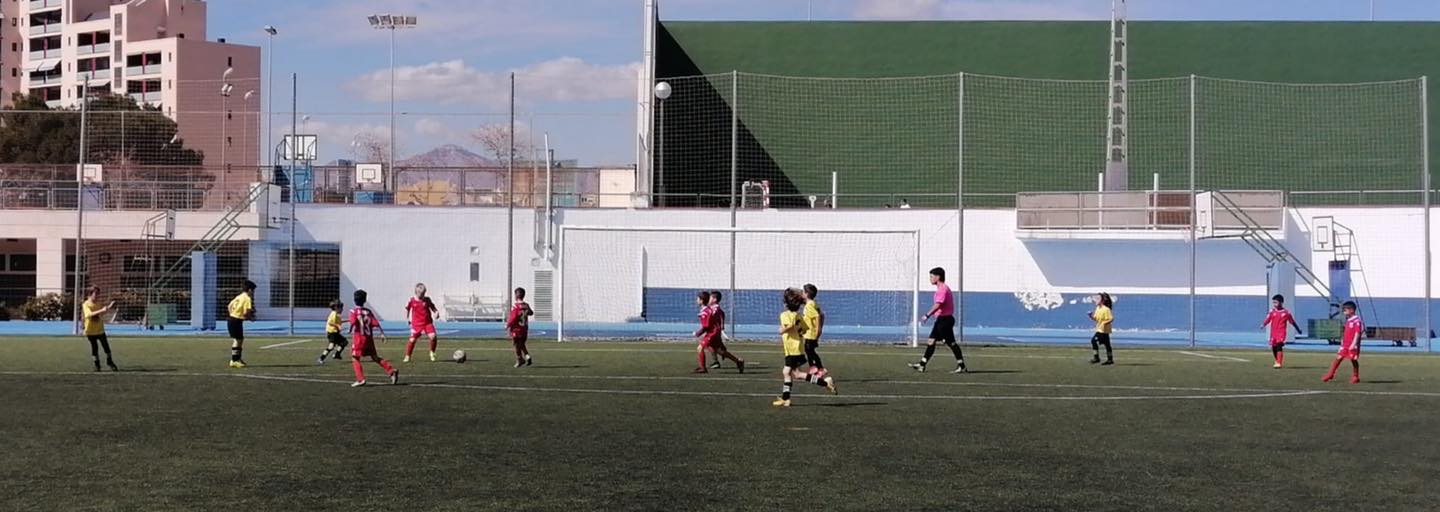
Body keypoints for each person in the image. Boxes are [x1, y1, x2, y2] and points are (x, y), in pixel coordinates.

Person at [773, 288, 835, 407]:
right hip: (797, 349)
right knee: (796, 374)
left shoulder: (784, 315)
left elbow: (787, 327)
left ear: (786, 304)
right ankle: (787, 398)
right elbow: (805, 329)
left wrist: (782, 330)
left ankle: (787, 398)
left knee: (787, 372)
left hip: (792, 350)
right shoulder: (798, 315)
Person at [909, 267, 968, 373]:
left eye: (931, 276)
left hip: (945, 321)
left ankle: (962, 366)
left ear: (938, 277)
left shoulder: (943, 289)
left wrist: (927, 315)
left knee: (951, 343)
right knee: (931, 341)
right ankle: (922, 365)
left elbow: (938, 305)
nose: (930, 279)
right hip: (941, 320)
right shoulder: (941, 288)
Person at [350, 289, 398, 387]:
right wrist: (382, 334)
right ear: (365, 300)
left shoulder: (353, 311)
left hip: (359, 338)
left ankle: (360, 379)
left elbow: (353, 322)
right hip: (369, 338)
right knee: (375, 357)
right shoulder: (368, 311)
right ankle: (391, 370)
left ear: (354, 300)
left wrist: (351, 326)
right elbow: (375, 323)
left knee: (355, 358)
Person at [1322, 301, 1363, 384]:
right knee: (1339, 357)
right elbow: (1346, 331)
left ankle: (1356, 376)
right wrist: (1342, 340)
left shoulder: (1357, 321)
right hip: (1345, 344)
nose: (1344, 311)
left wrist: (1354, 344)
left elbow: (1357, 333)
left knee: (1353, 359)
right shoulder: (1348, 320)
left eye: (1345, 310)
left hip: (1352, 344)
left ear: (1351, 310)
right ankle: (1330, 374)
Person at [705, 290, 745, 373]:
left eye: (710, 298)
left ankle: (717, 362)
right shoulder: (713, 308)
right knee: (717, 349)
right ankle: (737, 361)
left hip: (714, 332)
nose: (708, 299)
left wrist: (720, 327)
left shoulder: (715, 308)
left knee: (709, 345)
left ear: (715, 299)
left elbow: (717, 316)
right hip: (713, 331)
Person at [81, 286, 118, 372]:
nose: (97, 296)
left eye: (98, 294)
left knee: (106, 347)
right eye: (95, 294)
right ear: (90, 294)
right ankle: (97, 364)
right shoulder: (86, 304)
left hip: (100, 329)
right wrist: (102, 310)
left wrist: (109, 307)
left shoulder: (99, 303)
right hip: (90, 331)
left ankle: (110, 361)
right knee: (95, 348)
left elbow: (103, 312)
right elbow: (88, 315)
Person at [1261, 294, 1302, 369]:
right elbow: (1268, 319)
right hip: (1273, 333)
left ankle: (1279, 362)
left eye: (1276, 302)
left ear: (1281, 302)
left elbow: (1292, 322)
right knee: (1274, 347)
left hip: (1281, 333)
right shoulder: (1272, 312)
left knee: (1279, 345)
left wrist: (1298, 329)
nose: (1274, 304)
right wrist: (1263, 324)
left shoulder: (1286, 313)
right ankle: (1277, 360)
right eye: (1273, 303)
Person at [403, 283, 440, 363]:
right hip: (416, 324)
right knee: (412, 340)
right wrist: (407, 318)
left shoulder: (427, 300)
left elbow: (433, 307)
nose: (423, 295)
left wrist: (436, 312)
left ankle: (432, 352)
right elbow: (407, 309)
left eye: (424, 293)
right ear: (416, 292)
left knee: (433, 336)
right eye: (421, 293)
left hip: (427, 323)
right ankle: (407, 356)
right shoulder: (411, 300)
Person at [227, 280, 257, 369]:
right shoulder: (247, 298)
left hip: (232, 319)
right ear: (250, 290)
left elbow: (229, 306)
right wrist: (251, 318)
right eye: (253, 290)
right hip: (236, 320)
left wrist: (233, 313)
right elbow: (246, 313)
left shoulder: (239, 296)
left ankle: (237, 359)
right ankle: (234, 360)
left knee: (239, 339)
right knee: (238, 340)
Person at [801, 284, 827, 375]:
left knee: (809, 350)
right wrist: (820, 328)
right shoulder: (813, 303)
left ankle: (817, 367)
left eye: (803, 292)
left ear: (807, 294)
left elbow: (817, 315)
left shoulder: (809, 306)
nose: (802, 294)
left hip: (810, 332)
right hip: (810, 332)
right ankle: (816, 368)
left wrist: (818, 328)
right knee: (810, 351)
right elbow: (822, 315)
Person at [507, 287, 535, 368]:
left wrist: (508, 325)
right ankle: (527, 356)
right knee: (522, 344)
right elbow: (531, 313)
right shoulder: (526, 305)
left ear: (516, 295)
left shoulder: (515, 306)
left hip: (516, 329)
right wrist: (526, 311)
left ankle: (520, 360)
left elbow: (513, 317)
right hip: (524, 329)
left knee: (516, 345)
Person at [317, 300, 349, 364]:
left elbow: (339, 321)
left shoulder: (336, 314)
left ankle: (337, 355)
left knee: (344, 342)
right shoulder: (334, 313)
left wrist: (348, 320)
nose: (342, 309)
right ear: (336, 308)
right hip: (332, 333)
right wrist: (337, 326)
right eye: (341, 308)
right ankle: (321, 358)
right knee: (331, 346)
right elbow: (330, 322)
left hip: (335, 333)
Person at [1088, 292, 1115, 365]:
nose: (1095, 300)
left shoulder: (1106, 309)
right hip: (1100, 329)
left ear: (1102, 300)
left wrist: (1104, 323)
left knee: (1094, 340)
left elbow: (1111, 318)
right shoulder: (1097, 308)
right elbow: (1096, 319)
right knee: (1107, 344)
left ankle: (1096, 357)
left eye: (1098, 299)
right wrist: (1091, 316)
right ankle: (1110, 359)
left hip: (1103, 330)